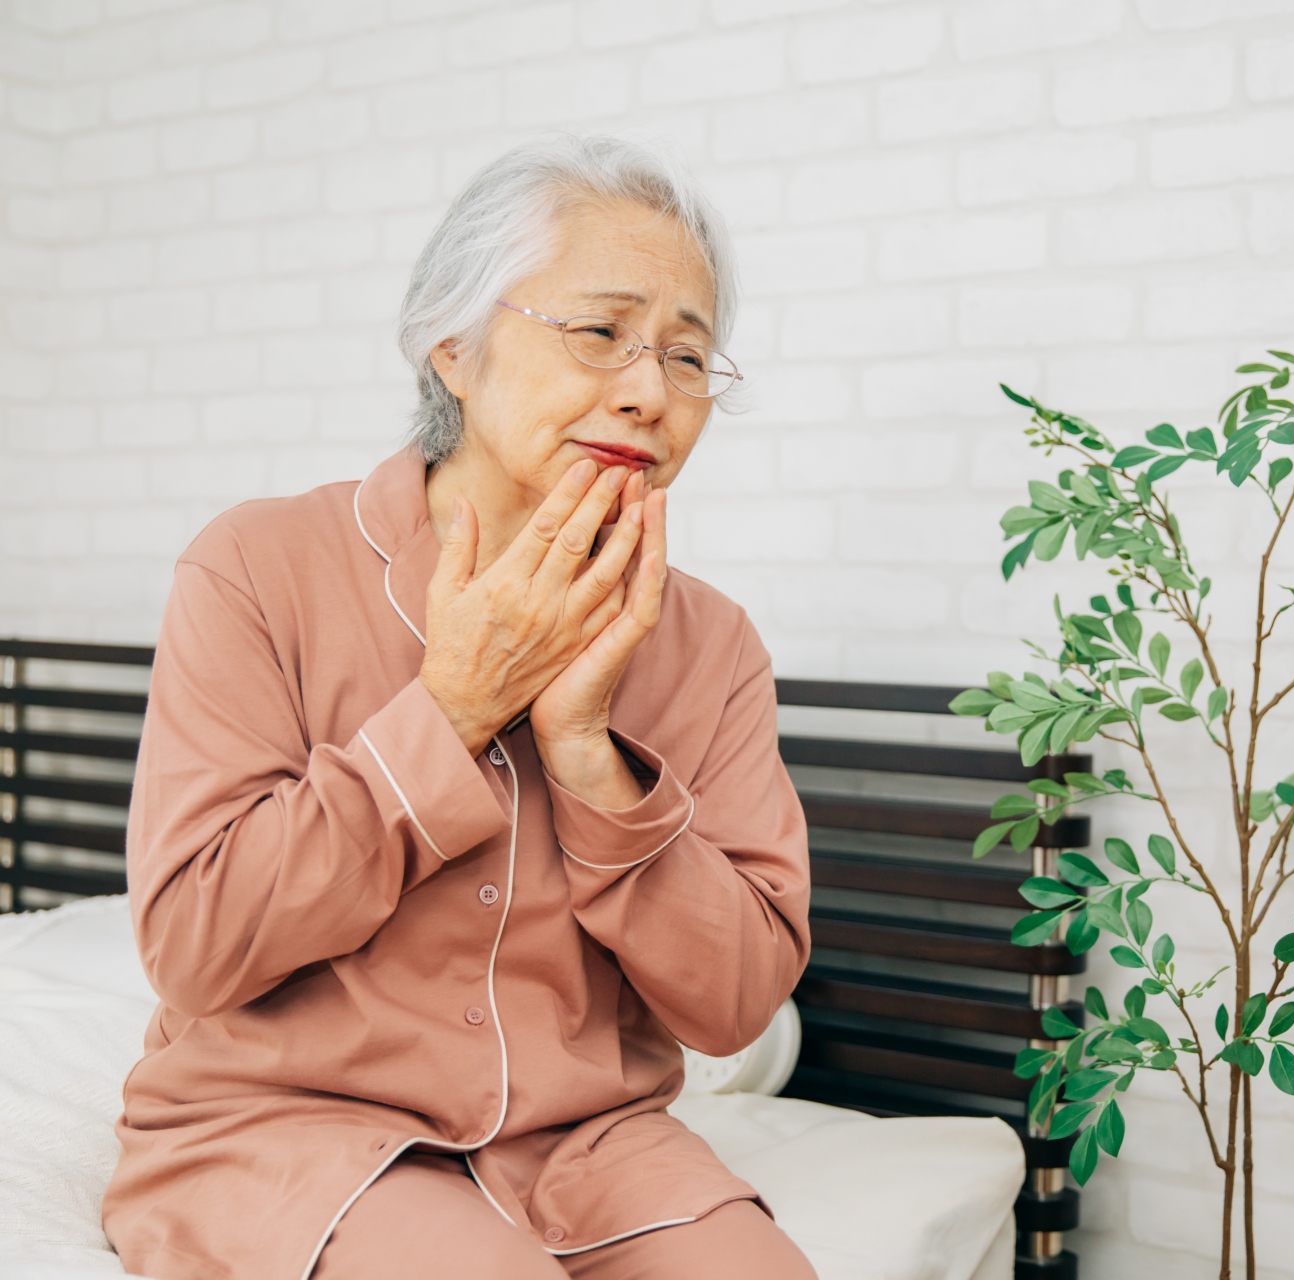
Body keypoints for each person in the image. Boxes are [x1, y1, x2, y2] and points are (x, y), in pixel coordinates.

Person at [101, 136, 817, 1280]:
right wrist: (452, 708)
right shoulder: (254, 566)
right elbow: (194, 941)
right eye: (601, 331)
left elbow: (736, 1003)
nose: (650, 391)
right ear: (454, 347)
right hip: (286, 1126)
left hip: (588, 1141)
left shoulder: (712, 643)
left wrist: (589, 759)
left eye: (689, 358)